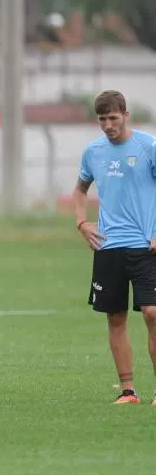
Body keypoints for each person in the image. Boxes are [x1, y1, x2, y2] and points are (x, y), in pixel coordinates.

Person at [73, 89, 156, 405]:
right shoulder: (93, 152)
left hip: (146, 246)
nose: (108, 125)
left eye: (112, 117)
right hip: (108, 247)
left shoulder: (148, 147)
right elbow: (80, 189)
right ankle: (128, 391)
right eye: (102, 119)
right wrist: (82, 223)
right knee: (116, 317)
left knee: (152, 313)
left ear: (125, 115)